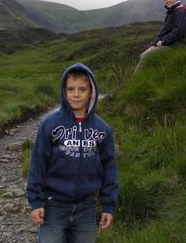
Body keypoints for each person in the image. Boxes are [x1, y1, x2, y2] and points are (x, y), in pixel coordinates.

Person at [27, 63, 118, 243]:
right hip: (54, 205)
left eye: (82, 89)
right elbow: (38, 164)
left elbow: (110, 169)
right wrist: (36, 202)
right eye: (71, 89)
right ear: (64, 91)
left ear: (91, 91)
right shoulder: (50, 125)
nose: (76, 94)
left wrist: (108, 206)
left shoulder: (102, 130)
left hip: (87, 207)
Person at [135, 0, 186, 72]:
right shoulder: (171, 11)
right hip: (169, 43)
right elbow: (164, 32)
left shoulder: (181, 11)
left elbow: (179, 31)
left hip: (176, 45)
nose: (168, 1)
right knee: (143, 54)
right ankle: (148, 75)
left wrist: (163, 41)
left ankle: (134, 82)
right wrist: (153, 44)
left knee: (145, 56)